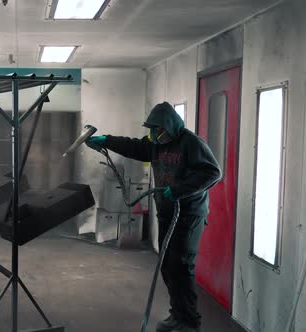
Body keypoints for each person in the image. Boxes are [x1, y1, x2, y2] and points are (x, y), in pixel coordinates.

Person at [85, 102, 221, 332]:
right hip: (167, 211)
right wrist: (106, 140)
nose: (152, 135)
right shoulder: (157, 143)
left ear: (168, 127)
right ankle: (178, 314)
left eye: (156, 130)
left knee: (181, 265)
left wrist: (179, 190)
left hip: (188, 215)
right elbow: (134, 146)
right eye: (150, 130)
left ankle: (189, 322)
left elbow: (213, 172)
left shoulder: (191, 143)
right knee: (167, 265)